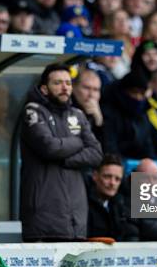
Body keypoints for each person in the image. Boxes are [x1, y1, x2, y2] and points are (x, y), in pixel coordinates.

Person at [20, 64, 102, 242]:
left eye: (68, 83)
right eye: (58, 83)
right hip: (43, 216)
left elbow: (96, 153)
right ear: (44, 88)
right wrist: (79, 142)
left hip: (75, 218)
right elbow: (50, 147)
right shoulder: (33, 111)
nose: (65, 87)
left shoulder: (77, 115)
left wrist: (66, 160)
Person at [86, 154, 128, 241]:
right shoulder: (83, 204)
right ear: (95, 176)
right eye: (107, 177)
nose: (112, 183)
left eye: (117, 179)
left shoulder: (121, 205)